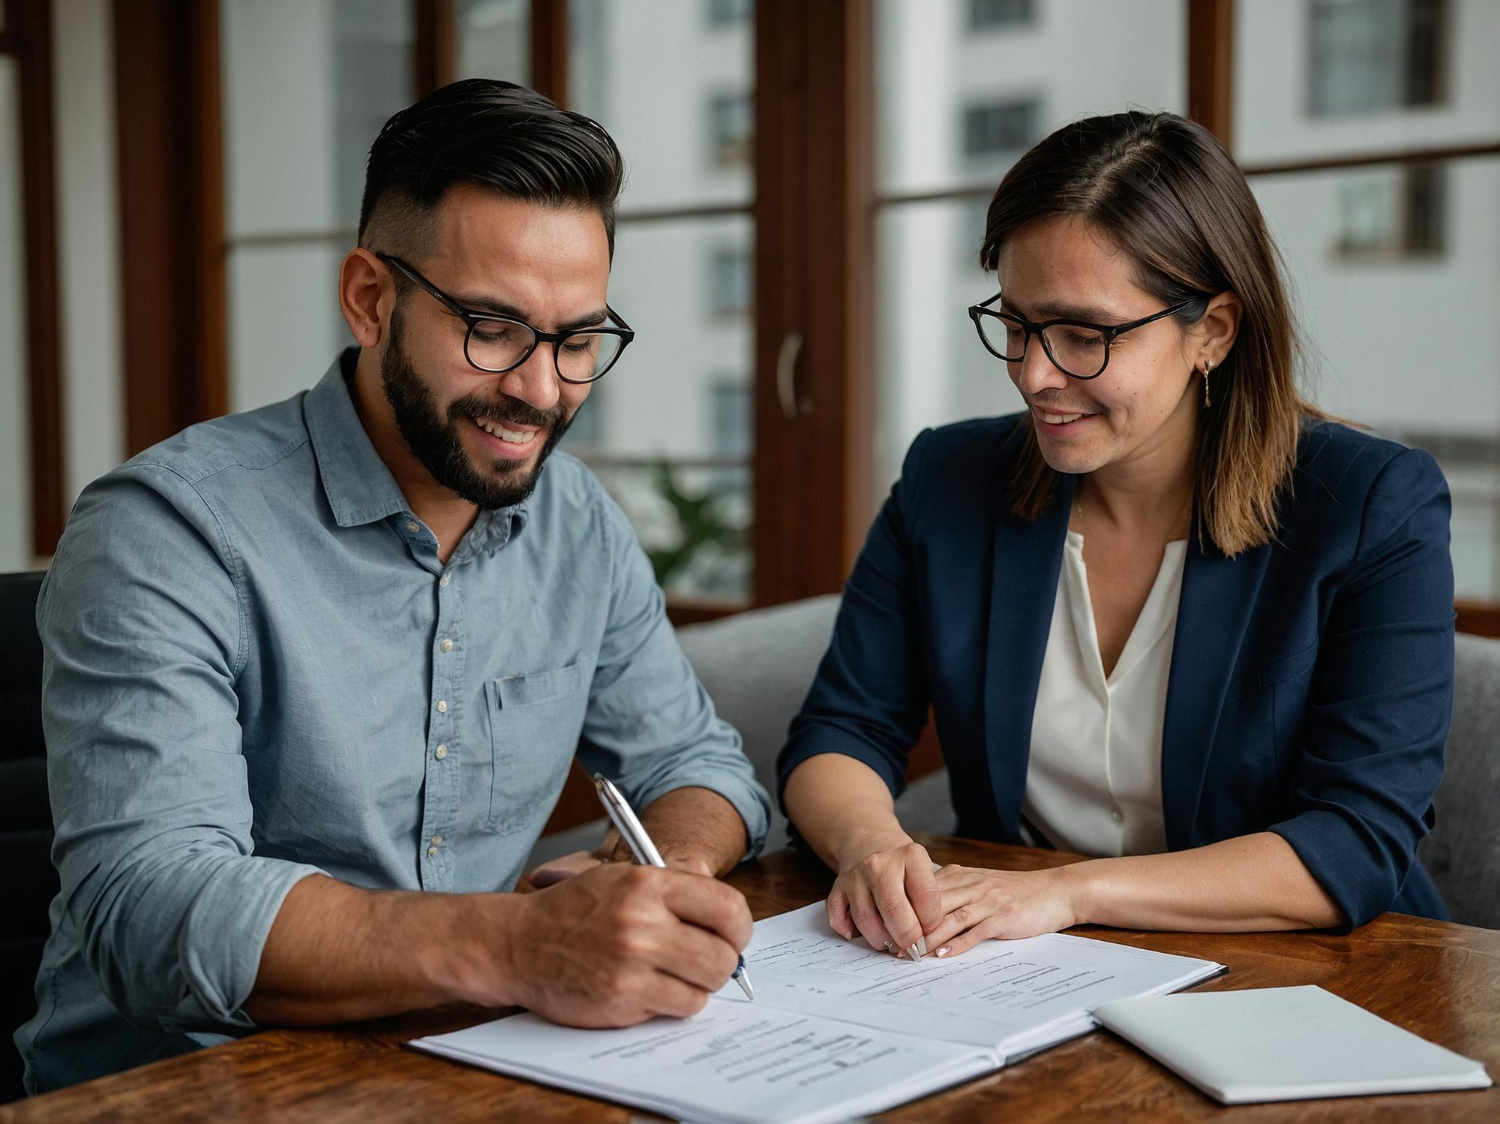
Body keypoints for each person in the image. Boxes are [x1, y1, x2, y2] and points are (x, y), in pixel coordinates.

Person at [16, 80, 770, 1094]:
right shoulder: (166, 530)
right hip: (178, 1087)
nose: (543, 391)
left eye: (579, 339)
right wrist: (518, 942)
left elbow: (697, 763)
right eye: (493, 328)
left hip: (464, 1066)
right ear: (373, 298)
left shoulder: (576, 521)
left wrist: (658, 879)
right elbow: (154, 905)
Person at [778, 110, 1452, 964]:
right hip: (1013, 970)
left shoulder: (1370, 505)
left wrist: (1069, 892)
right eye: (1017, 325)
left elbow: (1356, 840)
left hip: (1309, 976)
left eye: (1082, 336)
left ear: (1212, 330)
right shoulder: (948, 481)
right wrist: (871, 844)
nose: (1034, 374)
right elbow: (839, 730)